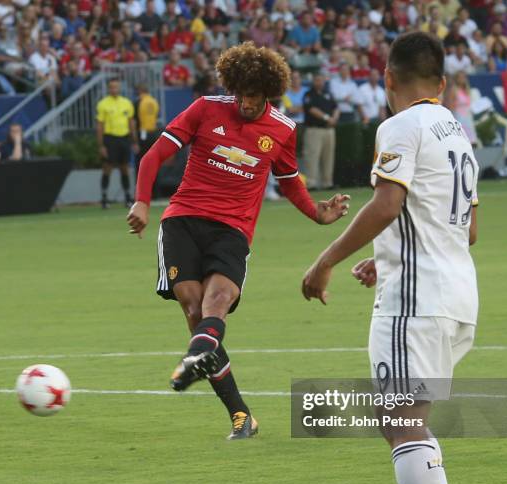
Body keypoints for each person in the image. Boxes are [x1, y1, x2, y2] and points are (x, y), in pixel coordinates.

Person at [302, 32, 478, 484]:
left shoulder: (400, 126)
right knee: (409, 419)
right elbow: (466, 227)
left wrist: (326, 259)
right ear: (443, 82)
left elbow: (388, 202)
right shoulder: (457, 132)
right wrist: (388, 257)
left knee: (398, 421)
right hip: (455, 295)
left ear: (387, 79)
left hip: (415, 302)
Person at [127, 43, 349, 440]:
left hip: (233, 230)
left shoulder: (282, 129)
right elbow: (152, 157)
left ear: (269, 93)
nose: (246, 102)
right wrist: (142, 202)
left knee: (216, 305)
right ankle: (241, 416)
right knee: (196, 311)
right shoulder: (205, 108)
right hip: (183, 222)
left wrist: (318, 213)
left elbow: (289, 183)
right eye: (241, 93)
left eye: (254, 95)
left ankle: (199, 362)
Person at [96, 78, 138, 208]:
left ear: (120, 88)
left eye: (116, 87)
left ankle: (127, 197)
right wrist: (101, 145)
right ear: (109, 89)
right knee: (107, 168)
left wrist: (134, 141)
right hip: (110, 138)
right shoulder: (103, 104)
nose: (114, 89)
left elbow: (131, 123)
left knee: (124, 168)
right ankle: (104, 198)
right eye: (112, 87)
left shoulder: (127, 103)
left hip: (124, 138)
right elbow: (100, 125)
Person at [302, 73, 339, 189]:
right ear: (313, 81)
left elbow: (336, 108)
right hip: (314, 130)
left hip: (329, 130)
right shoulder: (309, 94)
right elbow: (311, 109)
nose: (319, 82)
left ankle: (327, 183)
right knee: (312, 156)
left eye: (321, 80)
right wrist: (327, 118)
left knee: (328, 157)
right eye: (317, 80)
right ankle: (311, 183)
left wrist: (334, 119)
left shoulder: (328, 93)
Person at [136, 83, 160, 159]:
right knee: (153, 154)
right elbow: (156, 115)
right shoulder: (154, 101)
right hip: (153, 132)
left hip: (143, 132)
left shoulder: (139, 102)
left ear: (140, 91)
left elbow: (134, 120)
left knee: (142, 155)